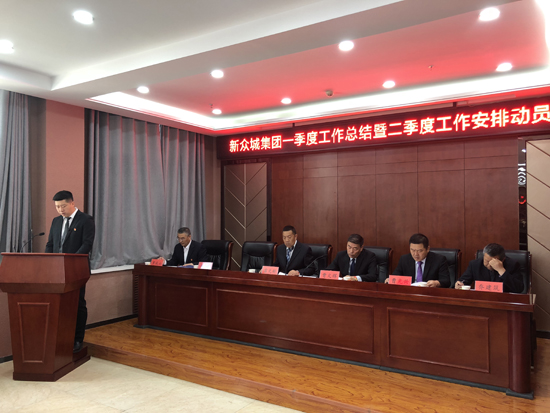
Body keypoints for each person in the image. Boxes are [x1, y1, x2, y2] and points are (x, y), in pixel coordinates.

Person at [45, 190, 95, 353]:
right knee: (60, 304)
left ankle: (77, 339)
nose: (60, 210)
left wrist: (70, 262)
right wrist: (47, 262)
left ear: (72, 203)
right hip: (57, 271)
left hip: (76, 270)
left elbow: (87, 244)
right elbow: (51, 244)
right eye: (57, 207)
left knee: (77, 303)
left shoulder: (85, 220)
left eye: (63, 206)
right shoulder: (56, 221)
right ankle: (62, 337)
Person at [455, 243, 523, 293]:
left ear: (503, 260)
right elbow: (463, 280)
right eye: (487, 261)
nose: (490, 265)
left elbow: (519, 289)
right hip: (482, 300)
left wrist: (502, 271)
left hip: (504, 301)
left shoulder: (512, 265)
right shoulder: (475, 265)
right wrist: (459, 284)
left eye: (493, 262)